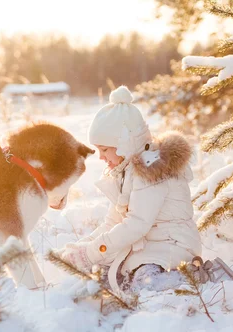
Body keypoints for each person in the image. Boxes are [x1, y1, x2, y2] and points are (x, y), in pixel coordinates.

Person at [59, 85, 212, 293]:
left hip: (173, 246)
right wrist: (84, 248)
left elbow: (136, 224)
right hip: (147, 248)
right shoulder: (128, 171)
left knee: (145, 284)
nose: (101, 157)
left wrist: (93, 253)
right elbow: (113, 222)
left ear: (124, 143)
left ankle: (194, 275)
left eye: (104, 150)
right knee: (104, 277)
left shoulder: (151, 169)